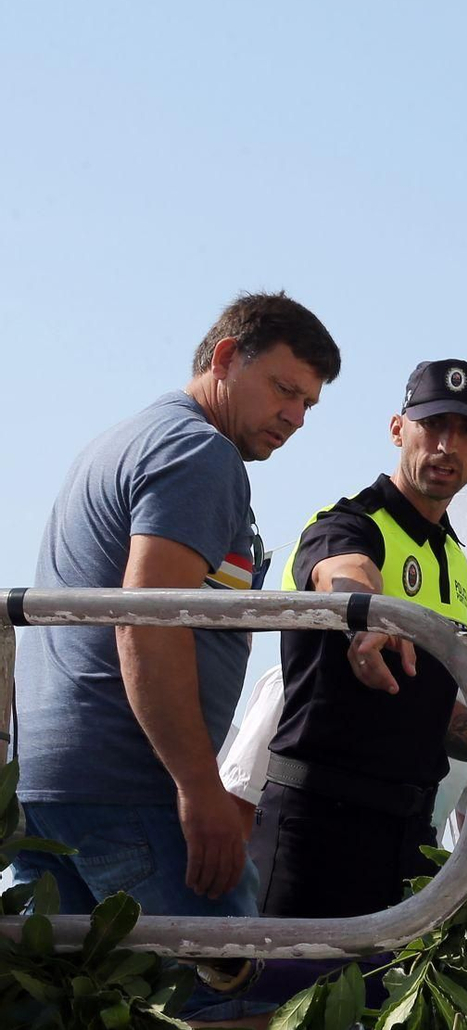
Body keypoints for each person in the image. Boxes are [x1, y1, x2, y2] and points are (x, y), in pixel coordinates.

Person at [10, 292, 341, 940]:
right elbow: (146, 620)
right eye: (283, 389)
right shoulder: (199, 454)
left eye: (308, 403)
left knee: (78, 1028)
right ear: (224, 358)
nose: (296, 417)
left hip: (44, 787)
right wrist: (198, 787)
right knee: (235, 1010)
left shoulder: (124, 441)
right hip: (131, 787)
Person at [251, 360, 467, 919]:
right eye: (432, 425)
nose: (446, 445)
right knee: (267, 1004)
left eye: (466, 431)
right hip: (314, 826)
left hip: (409, 837)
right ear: (397, 429)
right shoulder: (348, 522)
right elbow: (342, 568)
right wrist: (368, 614)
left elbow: (428, 707)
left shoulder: (455, 561)